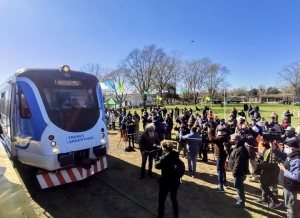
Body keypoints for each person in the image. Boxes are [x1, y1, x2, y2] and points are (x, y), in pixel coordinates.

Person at [273, 140, 300, 218]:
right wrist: (275, 148)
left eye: (287, 147)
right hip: (287, 184)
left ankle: (292, 216)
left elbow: (297, 177)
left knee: (291, 205)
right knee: (288, 204)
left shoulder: (296, 160)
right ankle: (289, 215)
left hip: (291, 186)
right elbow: (282, 155)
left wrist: (284, 170)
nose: (285, 149)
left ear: (293, 148)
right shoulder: (291, 155)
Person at [254, 135, 281, 209]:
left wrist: (260, 165)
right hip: (266, 171)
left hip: (271, 172)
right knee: (263, 185)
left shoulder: (273, 150)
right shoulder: (267, 148)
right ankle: (264, 199)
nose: (262, 142)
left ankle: (276, 201)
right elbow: (266, 159)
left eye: (263, 141)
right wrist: (259, 158)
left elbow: (272, 164)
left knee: (267, 187)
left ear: (269, 141)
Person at [155, 141, 181, 218]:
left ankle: (160, 216)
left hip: (165, 181)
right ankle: (176, 215)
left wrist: (157, 155)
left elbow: (157, 165)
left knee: (162, 200)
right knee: (174, 198)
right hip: (175, 181)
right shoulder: (176, 155)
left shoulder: (164, 158)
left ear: (164, 148)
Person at [228, 134, 250, 208]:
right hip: (238, 171)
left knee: (238, 186)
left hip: (239, 172)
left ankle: (241, 202)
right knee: (238, 186)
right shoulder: (237, 147)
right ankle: (240, 198)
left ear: (237, 140)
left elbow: (238, 163)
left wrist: (234, 173)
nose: (230, 140)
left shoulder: (241, 149)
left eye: (232, 139)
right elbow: (233, 157)